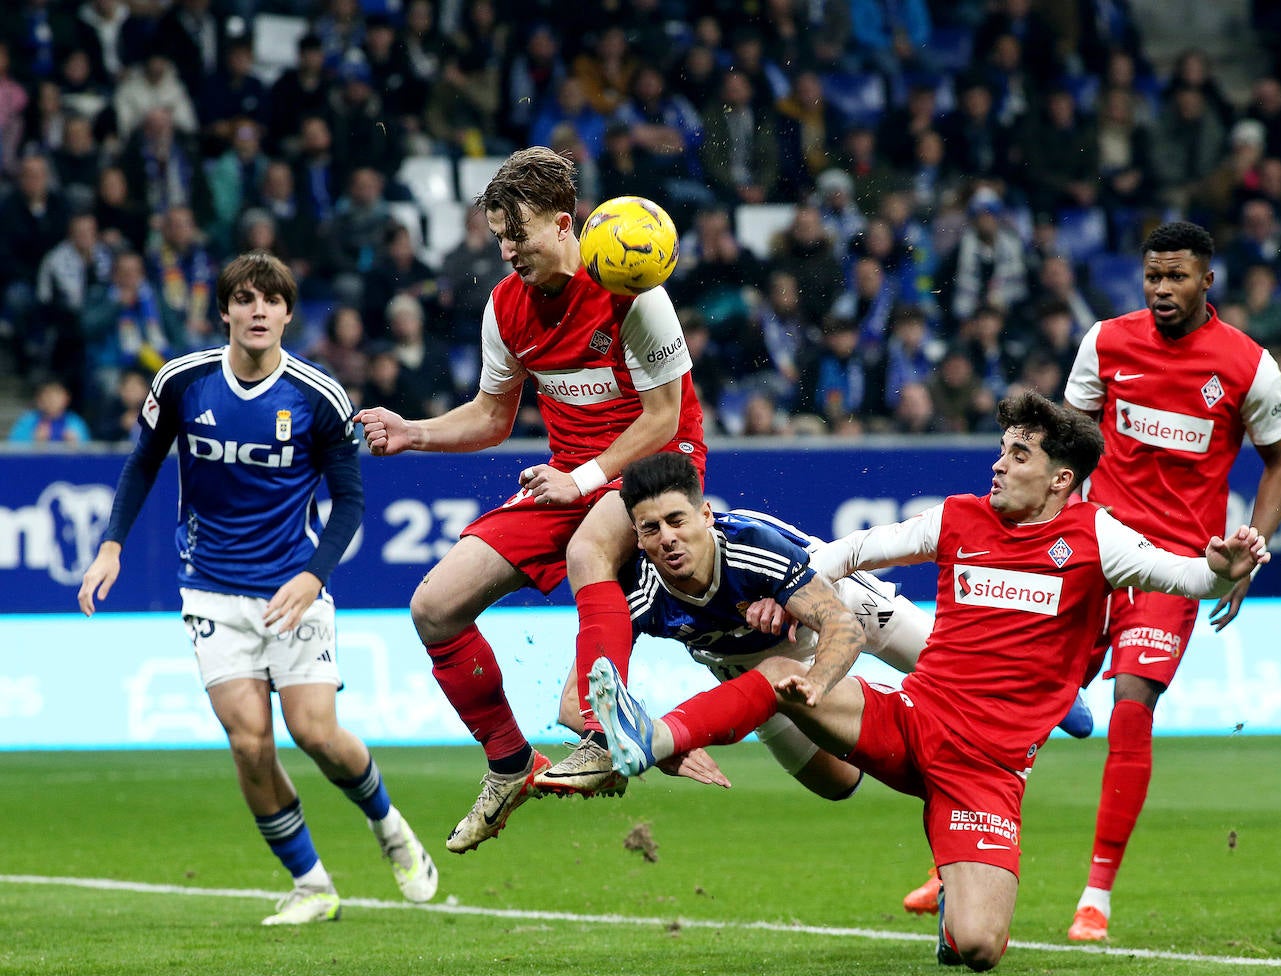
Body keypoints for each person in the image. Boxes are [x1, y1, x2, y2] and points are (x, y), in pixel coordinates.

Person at [590, 391, 1271, 972]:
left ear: (1062, 480)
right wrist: (785, 585)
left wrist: (1222, 566)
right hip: (913, 719)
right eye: (1002, 448)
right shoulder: (959, 516)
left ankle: (962, 877)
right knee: (782, 674)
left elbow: (1190, 578)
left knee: (978, 946)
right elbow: (853, 549)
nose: (999, 463)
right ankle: (650, 736)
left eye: (1020, 455)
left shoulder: (1100, 539)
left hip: (988, 770)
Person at [352, 147, 705, 853]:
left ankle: (608, 734)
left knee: (586, 546)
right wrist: (412, 431)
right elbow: (491, 416)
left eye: (520, 235)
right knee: (434, 606)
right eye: (500, 238)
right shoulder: (507, 306)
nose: (508, 251)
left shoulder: (635, 285)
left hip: (661, 468)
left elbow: (665, 418)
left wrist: (580, 479)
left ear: (564, 223)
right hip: (572, 475)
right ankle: (510, 763)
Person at [77, 251, 438, 925]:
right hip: (211, 588)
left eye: (271, 299)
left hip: (290, 588)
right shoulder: (184, 382)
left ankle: (389, 825)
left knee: (315, 733)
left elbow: (351, 502)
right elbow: (143, 462)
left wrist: (313, 575)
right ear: (225, 311)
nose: (258, 310)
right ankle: (312, 883)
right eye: (244, 298)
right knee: (249, 742)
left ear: (288, 313)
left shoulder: (317, 394)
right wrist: (111, 545)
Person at [1061, 221, 1281, 942]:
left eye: (1176, 277)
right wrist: (1059, 528)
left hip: (1176, 566)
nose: (1162, 290)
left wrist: (1251, 550)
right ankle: (956, 862)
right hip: (1095, 549)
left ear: (1207, 282)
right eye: (1153, 277)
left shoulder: (1246, 365)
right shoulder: (1105, 341)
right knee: (1020, 694)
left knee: (1132, 706)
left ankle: (1095, 894)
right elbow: (1066, 445)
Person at [549, 450, 935, 799]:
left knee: (962, 673)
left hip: (843, 605)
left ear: (705, 516)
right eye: (651, 528)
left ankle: (883, 699)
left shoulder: (749, 548)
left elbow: (843, 626)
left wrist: (817, 681)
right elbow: (573, 705)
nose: (667, 538)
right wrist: (655, 746)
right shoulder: (638, 595)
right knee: (837, 784)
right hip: (748, 667)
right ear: (637, 538)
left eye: (676, 520)